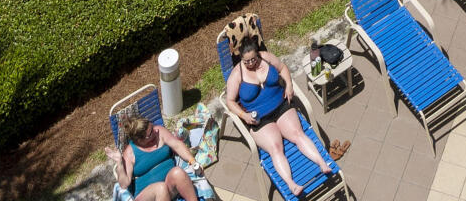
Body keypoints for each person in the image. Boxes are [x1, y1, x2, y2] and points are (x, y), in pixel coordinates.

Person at [223, 21, 333, 196]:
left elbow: (282, 68)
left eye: (253, 58)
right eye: (247, 61)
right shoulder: (237, 73)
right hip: (259, 119)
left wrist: (289, 85)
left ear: (257, 53)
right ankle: (292, 185)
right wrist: (244, 116)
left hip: (281, 106)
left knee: (298, 135)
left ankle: (323, 164)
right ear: (241, 58)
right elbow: (230, 101)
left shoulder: (266, 57)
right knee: (276, 147)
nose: (251, 63)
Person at [113, 111, 201, 201]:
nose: (156, 130)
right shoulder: (130, 153)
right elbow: (124, 184)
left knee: (178, 172)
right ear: (140, 140)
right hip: (147, 197)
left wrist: (192, 161)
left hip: (169, 188)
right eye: (151, 132)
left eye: (152, 126)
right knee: (160, 188)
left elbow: (177, 145)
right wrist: (119, 162)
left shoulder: (159, 132)